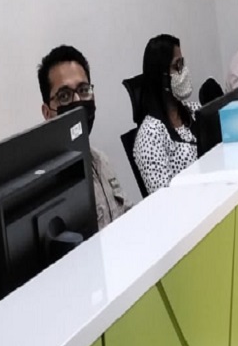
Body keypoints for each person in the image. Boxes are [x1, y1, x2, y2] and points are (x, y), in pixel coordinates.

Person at [37, 45, 132, 229]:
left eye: (83, 90)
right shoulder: (48, 185)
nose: (78, 101)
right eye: (64, 96)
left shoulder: (101, 160)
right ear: (47, 113)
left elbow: (128, 215)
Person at [133, 34, 199, 194]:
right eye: (177, 66)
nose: (183, 72)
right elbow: (164, 198)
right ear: (160, 75)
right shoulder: (150, 136)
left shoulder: (195, 111)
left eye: (182, 63)